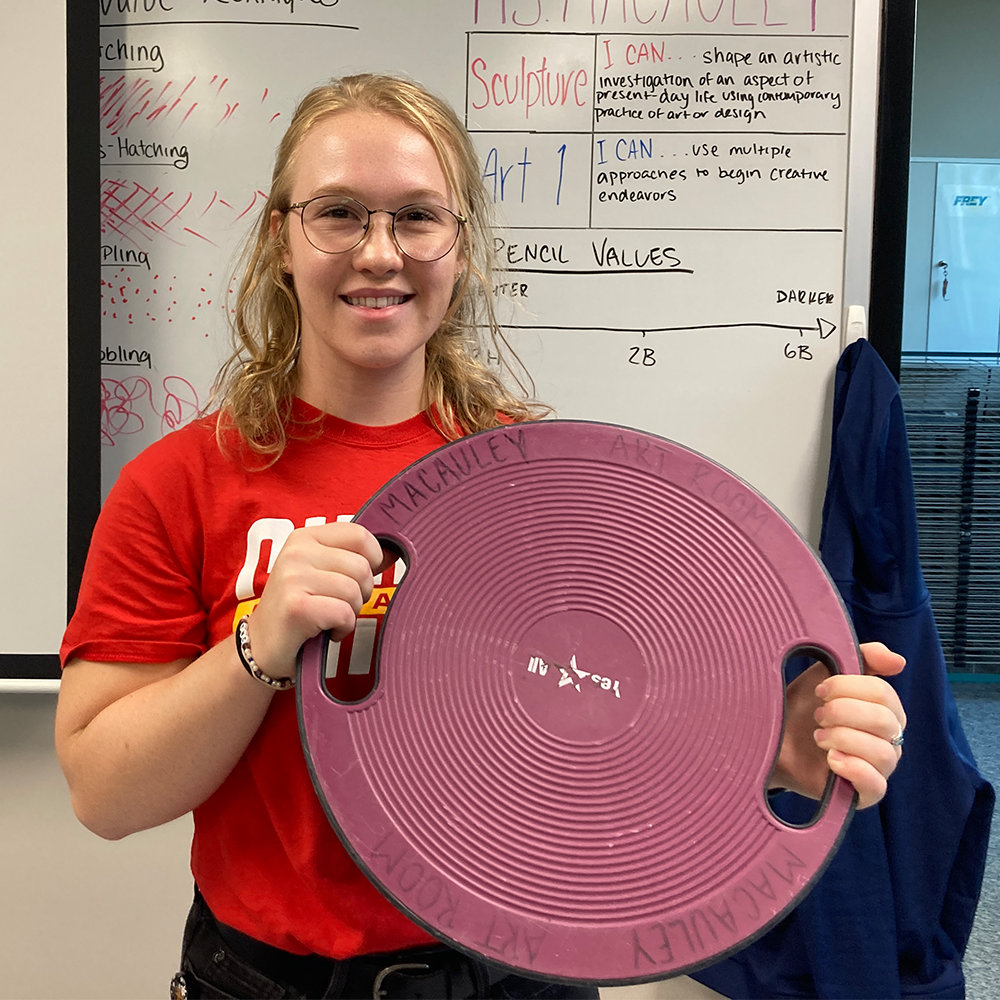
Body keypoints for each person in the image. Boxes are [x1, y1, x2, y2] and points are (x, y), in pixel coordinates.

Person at [56, 74, 907, 1000]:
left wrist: (763, 746)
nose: (380, 253)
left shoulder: (539, 481)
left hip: (516, 980)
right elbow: (105, 793)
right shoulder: (178, 484)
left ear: (460, 248)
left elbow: (596, 717)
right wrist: (258, 646)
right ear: (280, 239)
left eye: (419, 218)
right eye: (338, 212)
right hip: (267, 982)